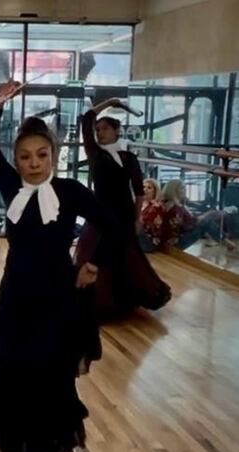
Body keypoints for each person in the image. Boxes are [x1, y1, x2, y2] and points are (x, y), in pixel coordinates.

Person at [0, 80, 113, 452]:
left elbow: (110, 225)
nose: (34, 163)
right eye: (26, 157)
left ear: (53, 156)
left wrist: (91, 264)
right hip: (16, 291)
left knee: (49, 363)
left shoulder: (71, 191)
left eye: (41, 155)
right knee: (10, 359)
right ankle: (12, 432)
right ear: (17, 161)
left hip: (57, 293)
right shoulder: (10, 185)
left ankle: (43, 435)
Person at [78, 101, 171, 318]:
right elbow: (86, 120)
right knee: (96, 253)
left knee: (124, 257)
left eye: (105, 129)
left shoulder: (129, 158)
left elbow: (138, 191)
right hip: (101, 214)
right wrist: (110, 102)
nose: (100, 133)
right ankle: (96, 300)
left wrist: (137, 218)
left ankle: (121, 300)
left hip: (123, 214)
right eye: (98, 130)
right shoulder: (95, 153)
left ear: (117, 130)